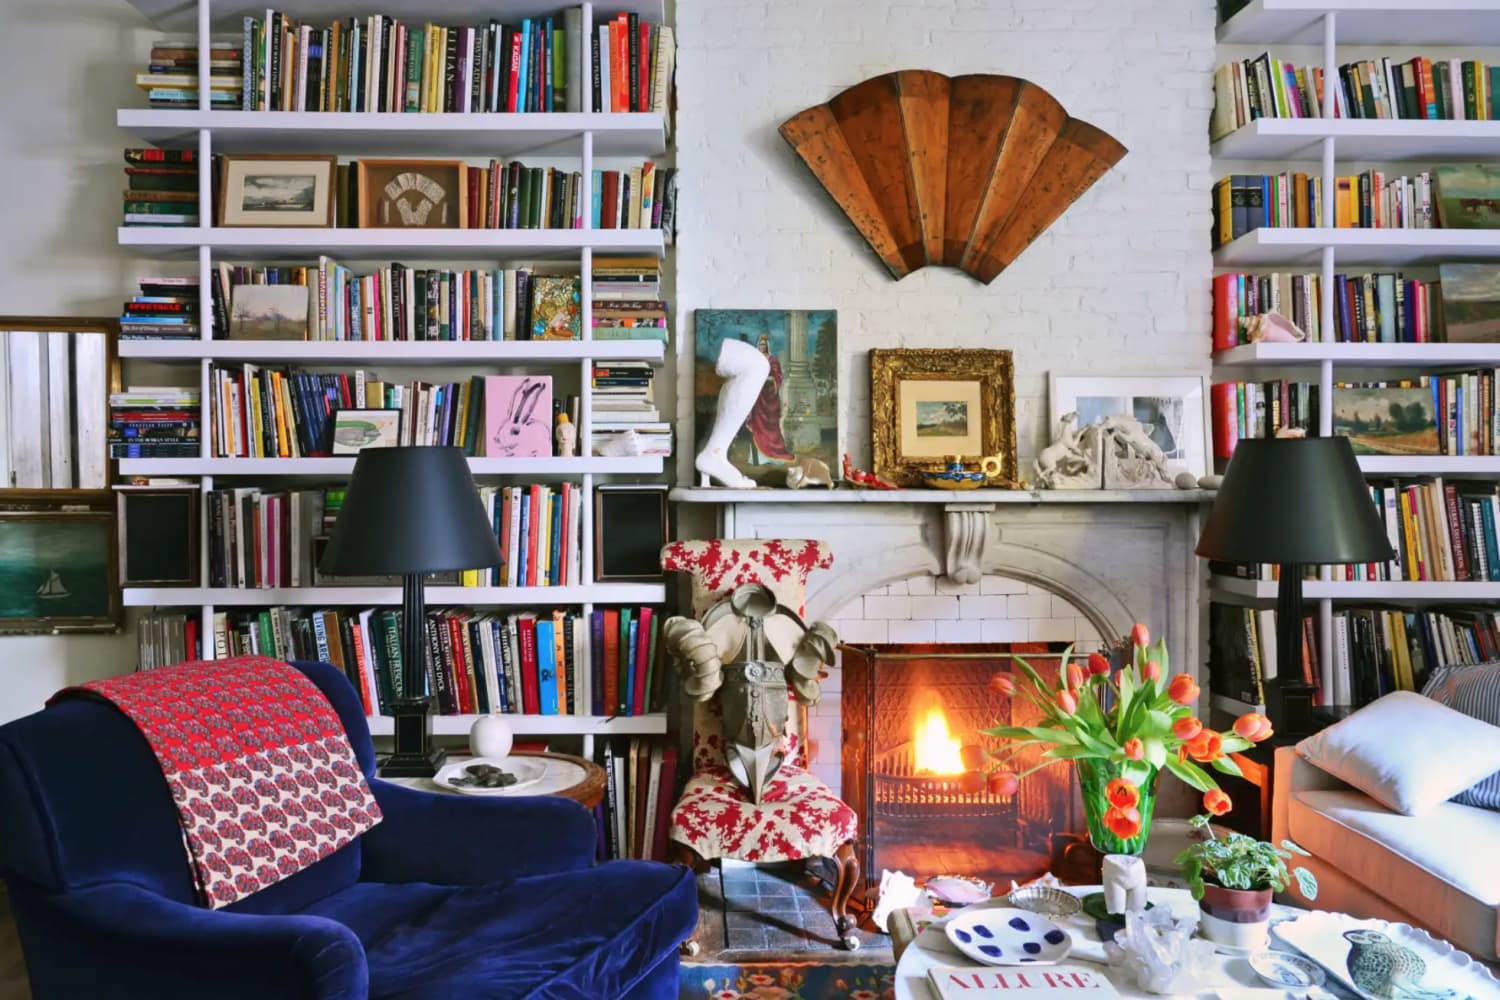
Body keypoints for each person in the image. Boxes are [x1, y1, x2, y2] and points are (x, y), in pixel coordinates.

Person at [741, 334, 795, 463]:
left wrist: (769, 379)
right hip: (758, 396)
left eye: (764, 345)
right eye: (760, 345)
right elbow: (749, 374)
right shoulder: (754, 359)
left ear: (767, 346)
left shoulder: (772, 359)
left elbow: (778, 376)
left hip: (770, 397)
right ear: (757, 346)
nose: (762, 347)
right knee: (758, 426)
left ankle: (776, 457)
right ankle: (758, 459)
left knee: (772, 427)